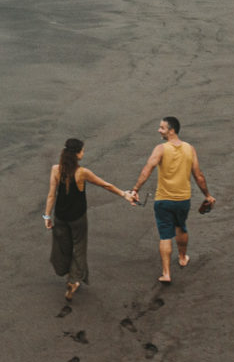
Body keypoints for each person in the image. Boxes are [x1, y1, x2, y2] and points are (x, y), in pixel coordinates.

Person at [43, 137, 136, 300]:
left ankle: (65, 271)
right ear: (77, 154)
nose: (83, 153)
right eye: (82, 150)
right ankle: (73, 280)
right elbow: (105, 185)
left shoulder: (55, 170)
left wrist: (47, 215)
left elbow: (51, 195)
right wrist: (124, 194)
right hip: (78, 218)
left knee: (63, 247)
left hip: (61, 217)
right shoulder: (82, 173)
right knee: (79, 247)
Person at [126, 116, 216, 284]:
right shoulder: (190, 149)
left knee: (165, 235)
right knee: (181, 227)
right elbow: (199, 176)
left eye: (162, 128)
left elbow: (147, 169)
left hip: (163, 200)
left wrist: (135, 189)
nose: (159, 130)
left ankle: (166, 273)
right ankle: (182, 258)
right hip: (183, 200)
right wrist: (207, 195)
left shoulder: (160, 149)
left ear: (171, 130)